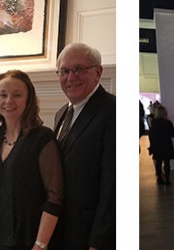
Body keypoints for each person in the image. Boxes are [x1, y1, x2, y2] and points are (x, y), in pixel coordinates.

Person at [0, 70, 64, 250]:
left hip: (31, 241)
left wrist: (40, 245)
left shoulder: (42, 138)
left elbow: (55, 196)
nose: (9, 101)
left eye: (17, 95)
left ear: (28, 99)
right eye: (3, 95)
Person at [50, 42, 116, 250]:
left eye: (78, 69)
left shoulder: (113, 111)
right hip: (61, 231)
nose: (71, 77)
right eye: (64, 71)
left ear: (97, 72)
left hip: (90, 235)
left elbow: (112, 186)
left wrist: (98, 241)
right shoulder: (61, 113)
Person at [149, 105, 174, 185]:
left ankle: (159, 179)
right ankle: (167, 180)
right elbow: (172, 134)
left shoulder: (153, 123)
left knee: (158, 163)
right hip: (167, 144)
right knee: (167, 163)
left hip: (157, 145)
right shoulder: (168, 123)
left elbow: (152, 135)